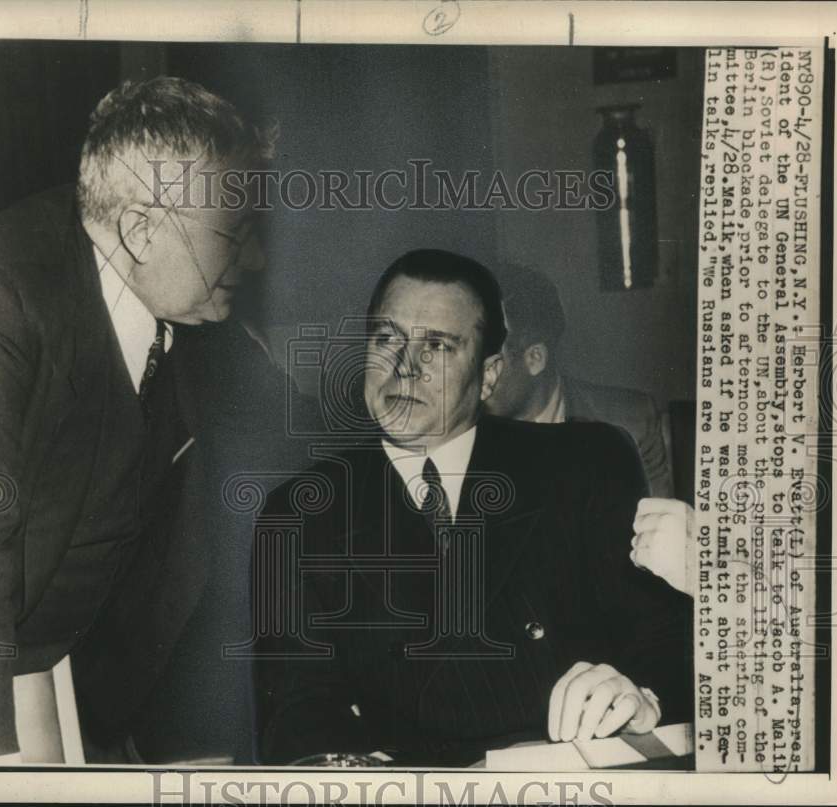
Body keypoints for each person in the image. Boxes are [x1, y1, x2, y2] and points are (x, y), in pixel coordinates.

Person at [253, 249, 692, 766]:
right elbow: (296, 716)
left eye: (437, 346)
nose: (404, 369)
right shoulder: (304, 511)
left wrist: (642, 701)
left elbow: (663, 647)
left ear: (488, 376)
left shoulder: (585, 464)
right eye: (387, 339)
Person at [0, 76, 274, 761]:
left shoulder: (202, 329)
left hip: (76, 687)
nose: (255, 257)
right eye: (234, 232)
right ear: (140, 230)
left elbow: (304, 431)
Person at [484, 266, 675, 498]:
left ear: (535, 358)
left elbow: (656, 518)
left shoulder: (631, 423)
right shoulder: (458, 429)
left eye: (489, 362)